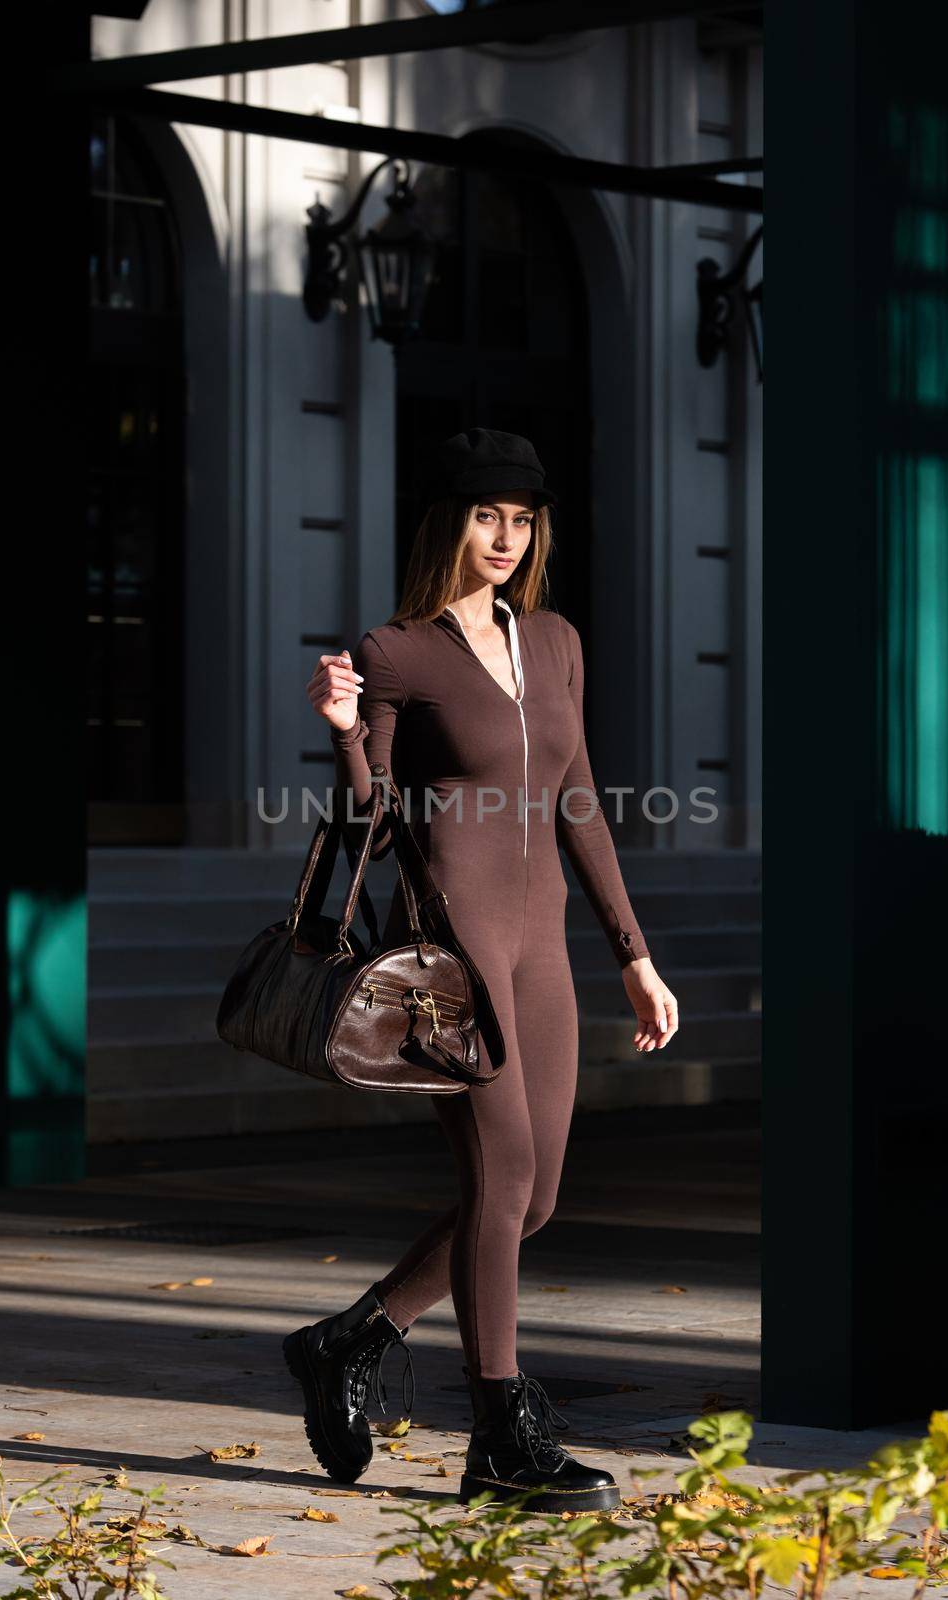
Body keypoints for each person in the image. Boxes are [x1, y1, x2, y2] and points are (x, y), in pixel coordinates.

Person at [285, 428, 679, 1512]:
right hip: (453, 953)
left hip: (542, 946)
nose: (506, 536)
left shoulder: (554, 642)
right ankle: (499, 1431)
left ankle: (347, 1340)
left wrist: (634, 957)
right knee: (499, 1181)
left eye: (523, 517)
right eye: (485, 515)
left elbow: (582, 804)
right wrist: (341, 731)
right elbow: (371, 817)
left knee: (536, 1196)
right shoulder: (398, 648)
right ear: (447, 524)